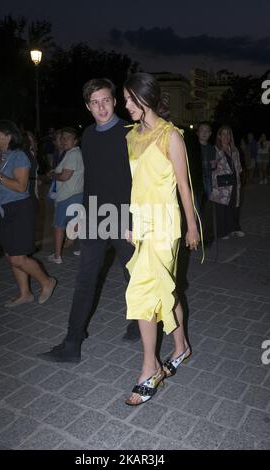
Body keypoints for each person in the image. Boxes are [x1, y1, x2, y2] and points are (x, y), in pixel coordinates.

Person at [39, 78, 140, 363]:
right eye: (94, 103)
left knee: (133, 275)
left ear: (114, 101)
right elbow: (91, 181)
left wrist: (134, 220)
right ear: (88, 107)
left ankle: (139, 322)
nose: (101, 107)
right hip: (95, 216)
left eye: (106, 100)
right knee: (85, 279)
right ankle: (72, 342)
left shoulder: (131, 132)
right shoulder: (89, 137)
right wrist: (83, 215)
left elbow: (141, 181)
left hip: (124, 218)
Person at [123, 72, 200, 406]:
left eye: (129, 99)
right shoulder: (130, 137)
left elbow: (184, 186)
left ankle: (149, 368)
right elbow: (135, 184)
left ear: (146, 98)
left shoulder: (172, 136)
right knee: (164, 288)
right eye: (125, 100)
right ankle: (181, 346)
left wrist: (193, 226)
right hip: (141, 224)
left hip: (166, 224)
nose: (124, 106)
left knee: (142, 289)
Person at [0, 119, 57, 307]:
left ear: (8, 135)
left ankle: (46, 281)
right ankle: (25, 293)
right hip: (3, 210)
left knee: (18, 257)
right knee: (10, 254)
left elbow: (21, 187)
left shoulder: (20, 156)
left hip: (20, 208)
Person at [47, 127, 84, 264]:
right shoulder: (75, 153)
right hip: (76, 194)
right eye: (63, 138)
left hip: (67, 196)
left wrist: (53, 175)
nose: (64, 140)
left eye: (68, 138)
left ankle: (57, 256)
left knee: (59, 226)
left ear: (75, 140)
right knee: (76, 223)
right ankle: (80, 249)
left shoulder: (73, 154)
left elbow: (64, 176)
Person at [210, 125, 244, 239]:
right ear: (219, 136)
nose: (226, 136)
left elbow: (238, 168)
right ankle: (222, 232)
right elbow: (211, 167)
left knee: (234, 205)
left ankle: (234, 228)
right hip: (221, 184)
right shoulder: (215, 150)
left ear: (231, 136)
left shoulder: (234, 150)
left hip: (234, 182)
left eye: (228, 134)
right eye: (223, 134)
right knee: (221, 208)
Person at [197, 122, 216, 245]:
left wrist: (213, 165)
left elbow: (213, 166)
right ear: (197, 132)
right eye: (202, 130)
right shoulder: (192, 147)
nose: (204, 133)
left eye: (207, 131)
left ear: (210, 134)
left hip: (207, 181)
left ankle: (207, 236)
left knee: (206, 209)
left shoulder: (211, 148)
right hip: (195, 181)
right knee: (196, 209)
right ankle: (195, 236)